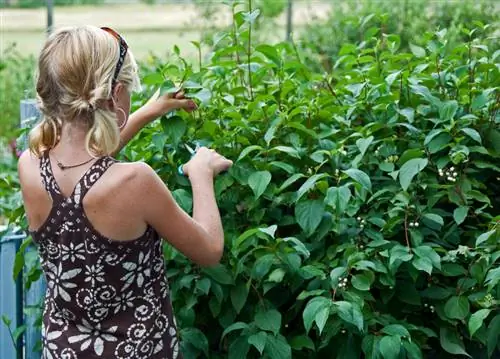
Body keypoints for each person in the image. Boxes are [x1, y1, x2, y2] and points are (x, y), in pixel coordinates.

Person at [17, 25, 233, 359]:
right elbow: (209, 250)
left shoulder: (30, 165)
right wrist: (201, 174)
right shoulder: (137, 181)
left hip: (61, 350)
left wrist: (147, 111)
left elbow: (87, 168)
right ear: (116, 93)